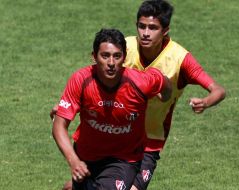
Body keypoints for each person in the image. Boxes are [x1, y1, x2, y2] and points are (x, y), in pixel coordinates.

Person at [54, 0, 226, 189]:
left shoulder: (179, 59)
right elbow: (92, 76)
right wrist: (68, 106)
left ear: (165, 30)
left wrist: (197, 100)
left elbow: (216, 89)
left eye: (152, 28)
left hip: (148, 140)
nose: (145, 33)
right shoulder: (122, 46)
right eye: (141, 26)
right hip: (106, 138)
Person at [52, 28, 172, 190]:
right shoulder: (81, 80)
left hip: (123, 159)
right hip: (86, 156)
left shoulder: (140, 83)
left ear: (124, 57)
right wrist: (73, 161)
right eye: (105, 56)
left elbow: (164, 83)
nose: (111, 63)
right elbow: (59, 125)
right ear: (94, 56)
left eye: (117, 56)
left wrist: (163, 98)